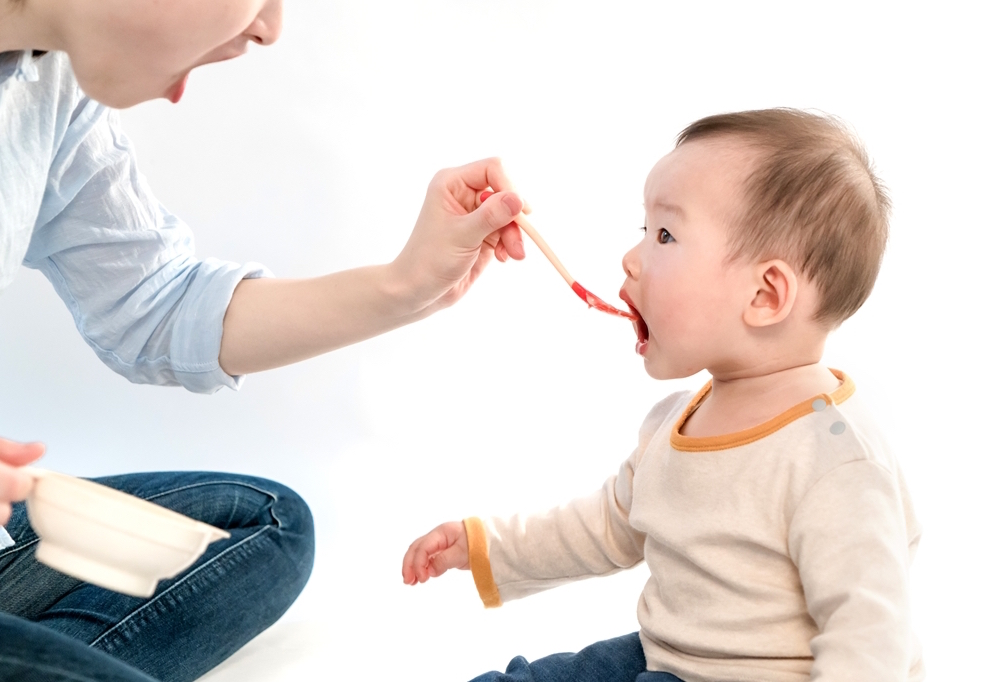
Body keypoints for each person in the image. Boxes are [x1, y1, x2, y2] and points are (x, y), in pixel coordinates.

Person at [1, 1, 526, 681]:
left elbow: (152, 302)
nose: (270, 27)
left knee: (266, 525)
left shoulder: (50, 86)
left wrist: (406, 285)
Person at [402, 108, 925, 682]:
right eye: (643, 230)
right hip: (663, 658)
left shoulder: (835, 457)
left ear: (766, 294)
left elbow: (872, 631)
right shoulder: (678, 422)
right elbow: (605, 526)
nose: (631, 258)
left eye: (666, 235)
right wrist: (487, 546)